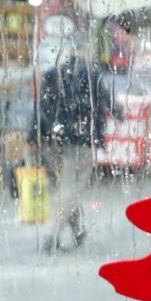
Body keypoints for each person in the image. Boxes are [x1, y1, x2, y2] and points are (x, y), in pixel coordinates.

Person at [34, 46, 102, 252]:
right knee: (71, 188)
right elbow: (105, 103)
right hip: (81, 141)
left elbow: (41, 107)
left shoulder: (51, 75)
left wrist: (33, 136)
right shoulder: (91, 77)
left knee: (67, 187)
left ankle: (77, 229)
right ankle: (52, 235)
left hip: (52, 141)